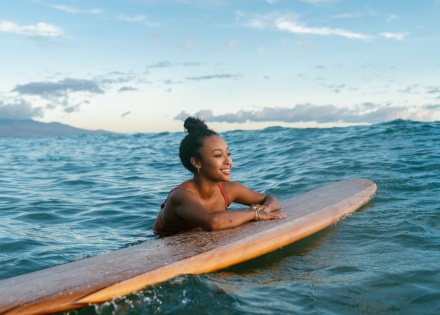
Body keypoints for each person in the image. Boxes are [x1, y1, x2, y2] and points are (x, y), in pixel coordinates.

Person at [153, 116, 285, 235]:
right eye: (218, 155)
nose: (228, 161)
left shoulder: (228, 189)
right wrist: (255, 214)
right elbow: (212, 222)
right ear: (197, 162)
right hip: (163, 246)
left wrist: (266, 208)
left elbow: (270, 199)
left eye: (228, 154)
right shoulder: (181, 196)